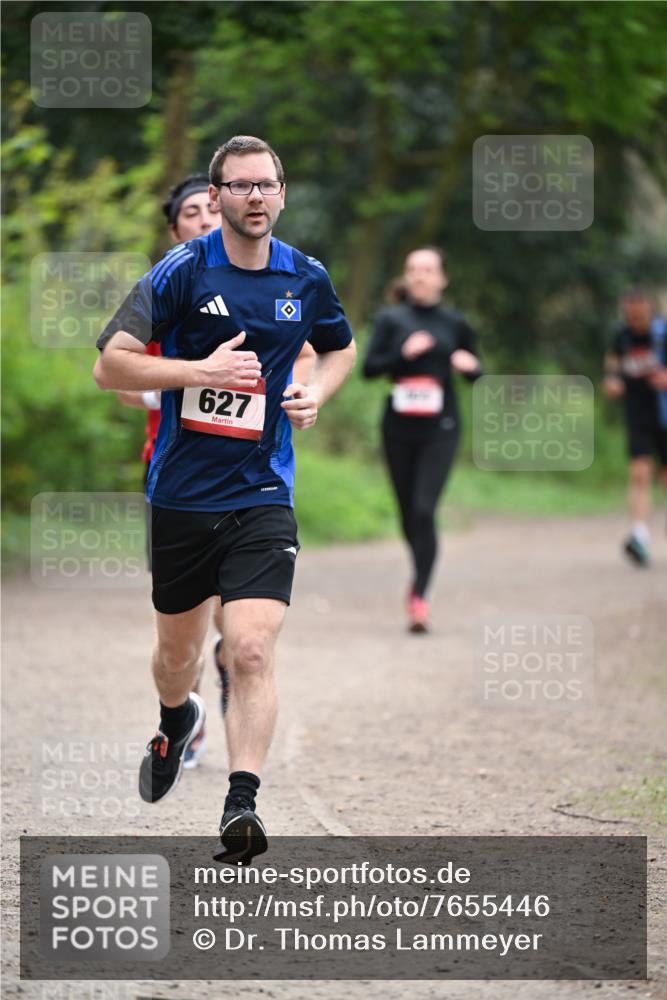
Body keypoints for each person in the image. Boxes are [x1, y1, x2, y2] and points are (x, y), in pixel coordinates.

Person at [94, 135, 356, 862]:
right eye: (238, 186)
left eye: (265, 185)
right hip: (180, 493)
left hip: (263, 490)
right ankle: (175, 719)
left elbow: (339, 346)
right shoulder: (179, 271)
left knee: (248, 647)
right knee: (176, 656)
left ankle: (241, 803)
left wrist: (315, 395)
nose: (253, 197)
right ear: (219, 195)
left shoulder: (305, 276)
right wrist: (195, 370)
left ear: (281, 191)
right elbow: (109, 367)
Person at [363, 246, 481, 633]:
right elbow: (369, 368)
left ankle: (420, 595)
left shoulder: (455, 322)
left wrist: (470, 366)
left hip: (441, 427)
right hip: (398, 425)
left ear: (442, 278)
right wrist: (402, 352)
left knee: (424, 509)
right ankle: (420, 574)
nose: (420, 276)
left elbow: (476, 372)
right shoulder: (392, 319)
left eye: (428, 270)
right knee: (407, 514)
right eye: (413, 269)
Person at [603, 288, 667, 566]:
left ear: (650, 309)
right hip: (638, 413)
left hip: (665, 413)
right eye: (630, 314)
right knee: (640, 471)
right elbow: (613, 364)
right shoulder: (622, 336)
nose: (635, 318)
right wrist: (612, 380)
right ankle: (639, 535)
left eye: (639, 313)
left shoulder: (663, 334)